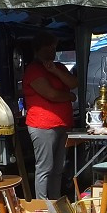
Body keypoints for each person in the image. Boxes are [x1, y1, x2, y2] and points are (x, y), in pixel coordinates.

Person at [23, 30, 77, 200]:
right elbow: (51, 94)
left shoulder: (58, 66)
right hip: (42, 125)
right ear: (39, 49)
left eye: (54, 48)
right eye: (49, 48)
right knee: (45, 168)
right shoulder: (33, 70)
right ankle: (42, 205)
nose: (52, 52)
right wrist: (70, 96)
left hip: (62, 124)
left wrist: (55, 71)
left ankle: (55, 202)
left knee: (58, 168)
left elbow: (74, 83)